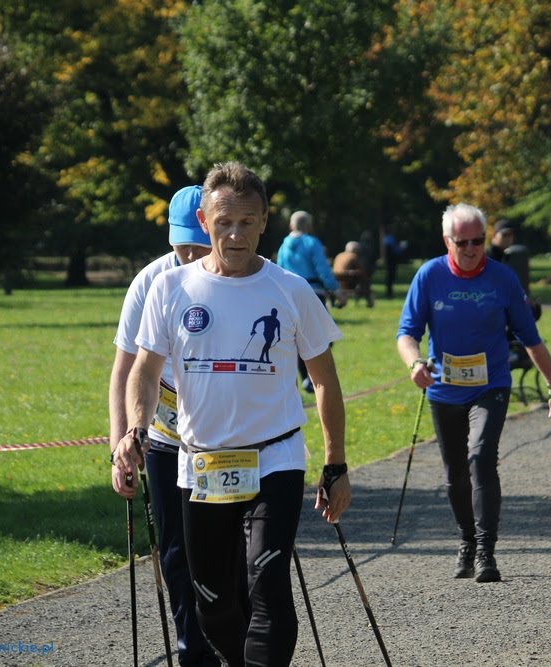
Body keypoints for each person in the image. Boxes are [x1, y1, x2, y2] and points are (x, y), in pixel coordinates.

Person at [111, 162, 351, 667]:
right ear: (204, 220)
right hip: (201, 463)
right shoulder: (170, 289)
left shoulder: (290, 290)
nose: (235, 234)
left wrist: (335, 464)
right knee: (212, 604)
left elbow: (325, 380)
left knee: (267, 579)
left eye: (247, 221)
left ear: (265, 220)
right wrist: (134, 429)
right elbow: (144, 372)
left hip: (274, 457)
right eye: (224, 222)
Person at [396, 203, 551, 584]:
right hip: (444, 389)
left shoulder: (502, 279)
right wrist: (414, 364)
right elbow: (407, 332)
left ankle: (487, 550)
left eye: (478, 241)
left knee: (481, 457)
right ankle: (467, 540)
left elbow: (531, 338)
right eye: (463, 242)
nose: (472, 249)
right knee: (454, 473)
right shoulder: (429, 276)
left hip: (491, 386)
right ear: (447, 241)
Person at [108, 184, 220, 667]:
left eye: (200, 245)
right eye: (183, 246)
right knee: (175, 548)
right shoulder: (151, 281)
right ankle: (192, 648)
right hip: (163, 432)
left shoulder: (232, 277)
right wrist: (119, 446)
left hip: (222, 431)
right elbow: (123, 372)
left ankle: (230, 638)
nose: (191, 255)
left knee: (220, 543)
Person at [276, 210, 345, 390]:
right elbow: (322, 268)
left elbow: (279, 270)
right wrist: (335, 289)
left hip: (288, 296)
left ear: (291, 225)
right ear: (308, 225)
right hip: (313, 293)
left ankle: (304, 377)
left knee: (296, 338)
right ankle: (314, 377)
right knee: (324, 336)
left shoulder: (283, 246)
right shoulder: (312, 243)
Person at [487, 219, 532, 296]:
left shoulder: (511, 255)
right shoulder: (487, 256)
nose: (508, 238)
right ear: (494, 236)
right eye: (504, 235)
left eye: (510, 235)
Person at [332, 241, 374, 307]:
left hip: (337, 281)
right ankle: (370, 302)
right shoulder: (353, 256)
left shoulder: (339, 255)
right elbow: (361, 271)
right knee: (365, 281)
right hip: (349, 283)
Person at [382, 227, 406, 299]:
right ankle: (389, 293)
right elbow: (395, 251)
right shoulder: (390, 239)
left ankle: (389, 292)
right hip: (391, 260)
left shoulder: (386, 239)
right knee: (391, 277)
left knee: (390, 276)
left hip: (389, 260)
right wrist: (401, 248)